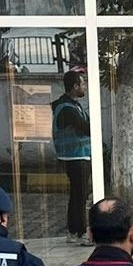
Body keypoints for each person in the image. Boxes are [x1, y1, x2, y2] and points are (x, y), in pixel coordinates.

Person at [51, 70, 93, 246]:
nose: (84, 87)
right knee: (80, 196)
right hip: (74, 157)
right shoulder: (67, 108)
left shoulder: (72, 105)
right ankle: (81, 232)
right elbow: (86, 127)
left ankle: (73, 230)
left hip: (77, 156)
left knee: (77, 195)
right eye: (82, 84)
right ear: (75, 86)